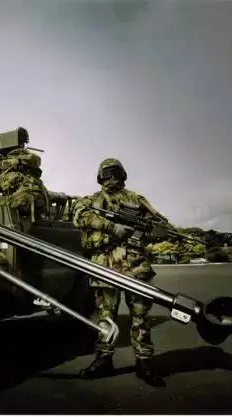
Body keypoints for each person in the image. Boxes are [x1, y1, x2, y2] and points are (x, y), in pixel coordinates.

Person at [71, 158, 167, 387]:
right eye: (106, 174)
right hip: (105, 266)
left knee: (141, 317)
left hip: (136, 267)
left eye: (114, 173)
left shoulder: (137, 200)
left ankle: (144, 362)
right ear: (100, 177)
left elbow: (162, 225)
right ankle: (104, 360)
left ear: (122, 175)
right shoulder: (91, 200)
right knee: (105, 318)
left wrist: (147, 228)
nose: (110, 178)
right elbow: (78, 217)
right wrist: (111, 227)